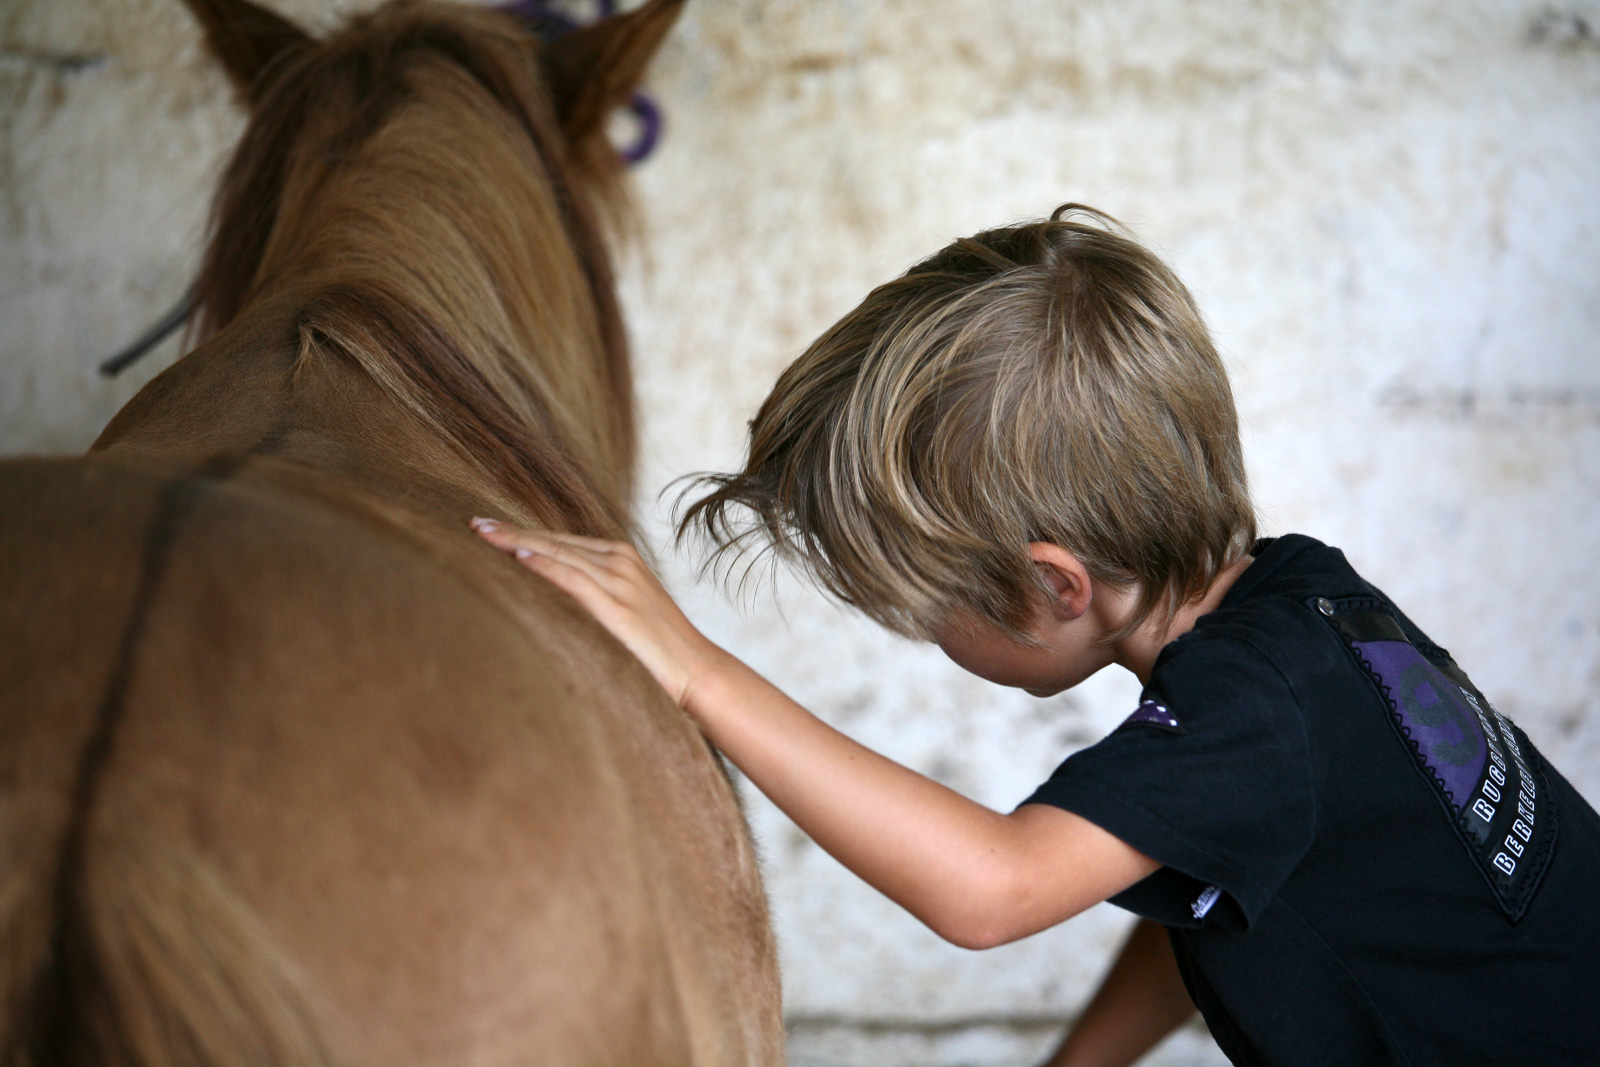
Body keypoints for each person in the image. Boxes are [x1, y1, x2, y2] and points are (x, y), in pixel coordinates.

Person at [472, 206, 1600, 1066]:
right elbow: (1223, 875)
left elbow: (991, 889)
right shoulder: (1299, 604)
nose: (919, 633)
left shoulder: (1254, 708)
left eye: (922, 605)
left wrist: (693, 668)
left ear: (1053, 585)